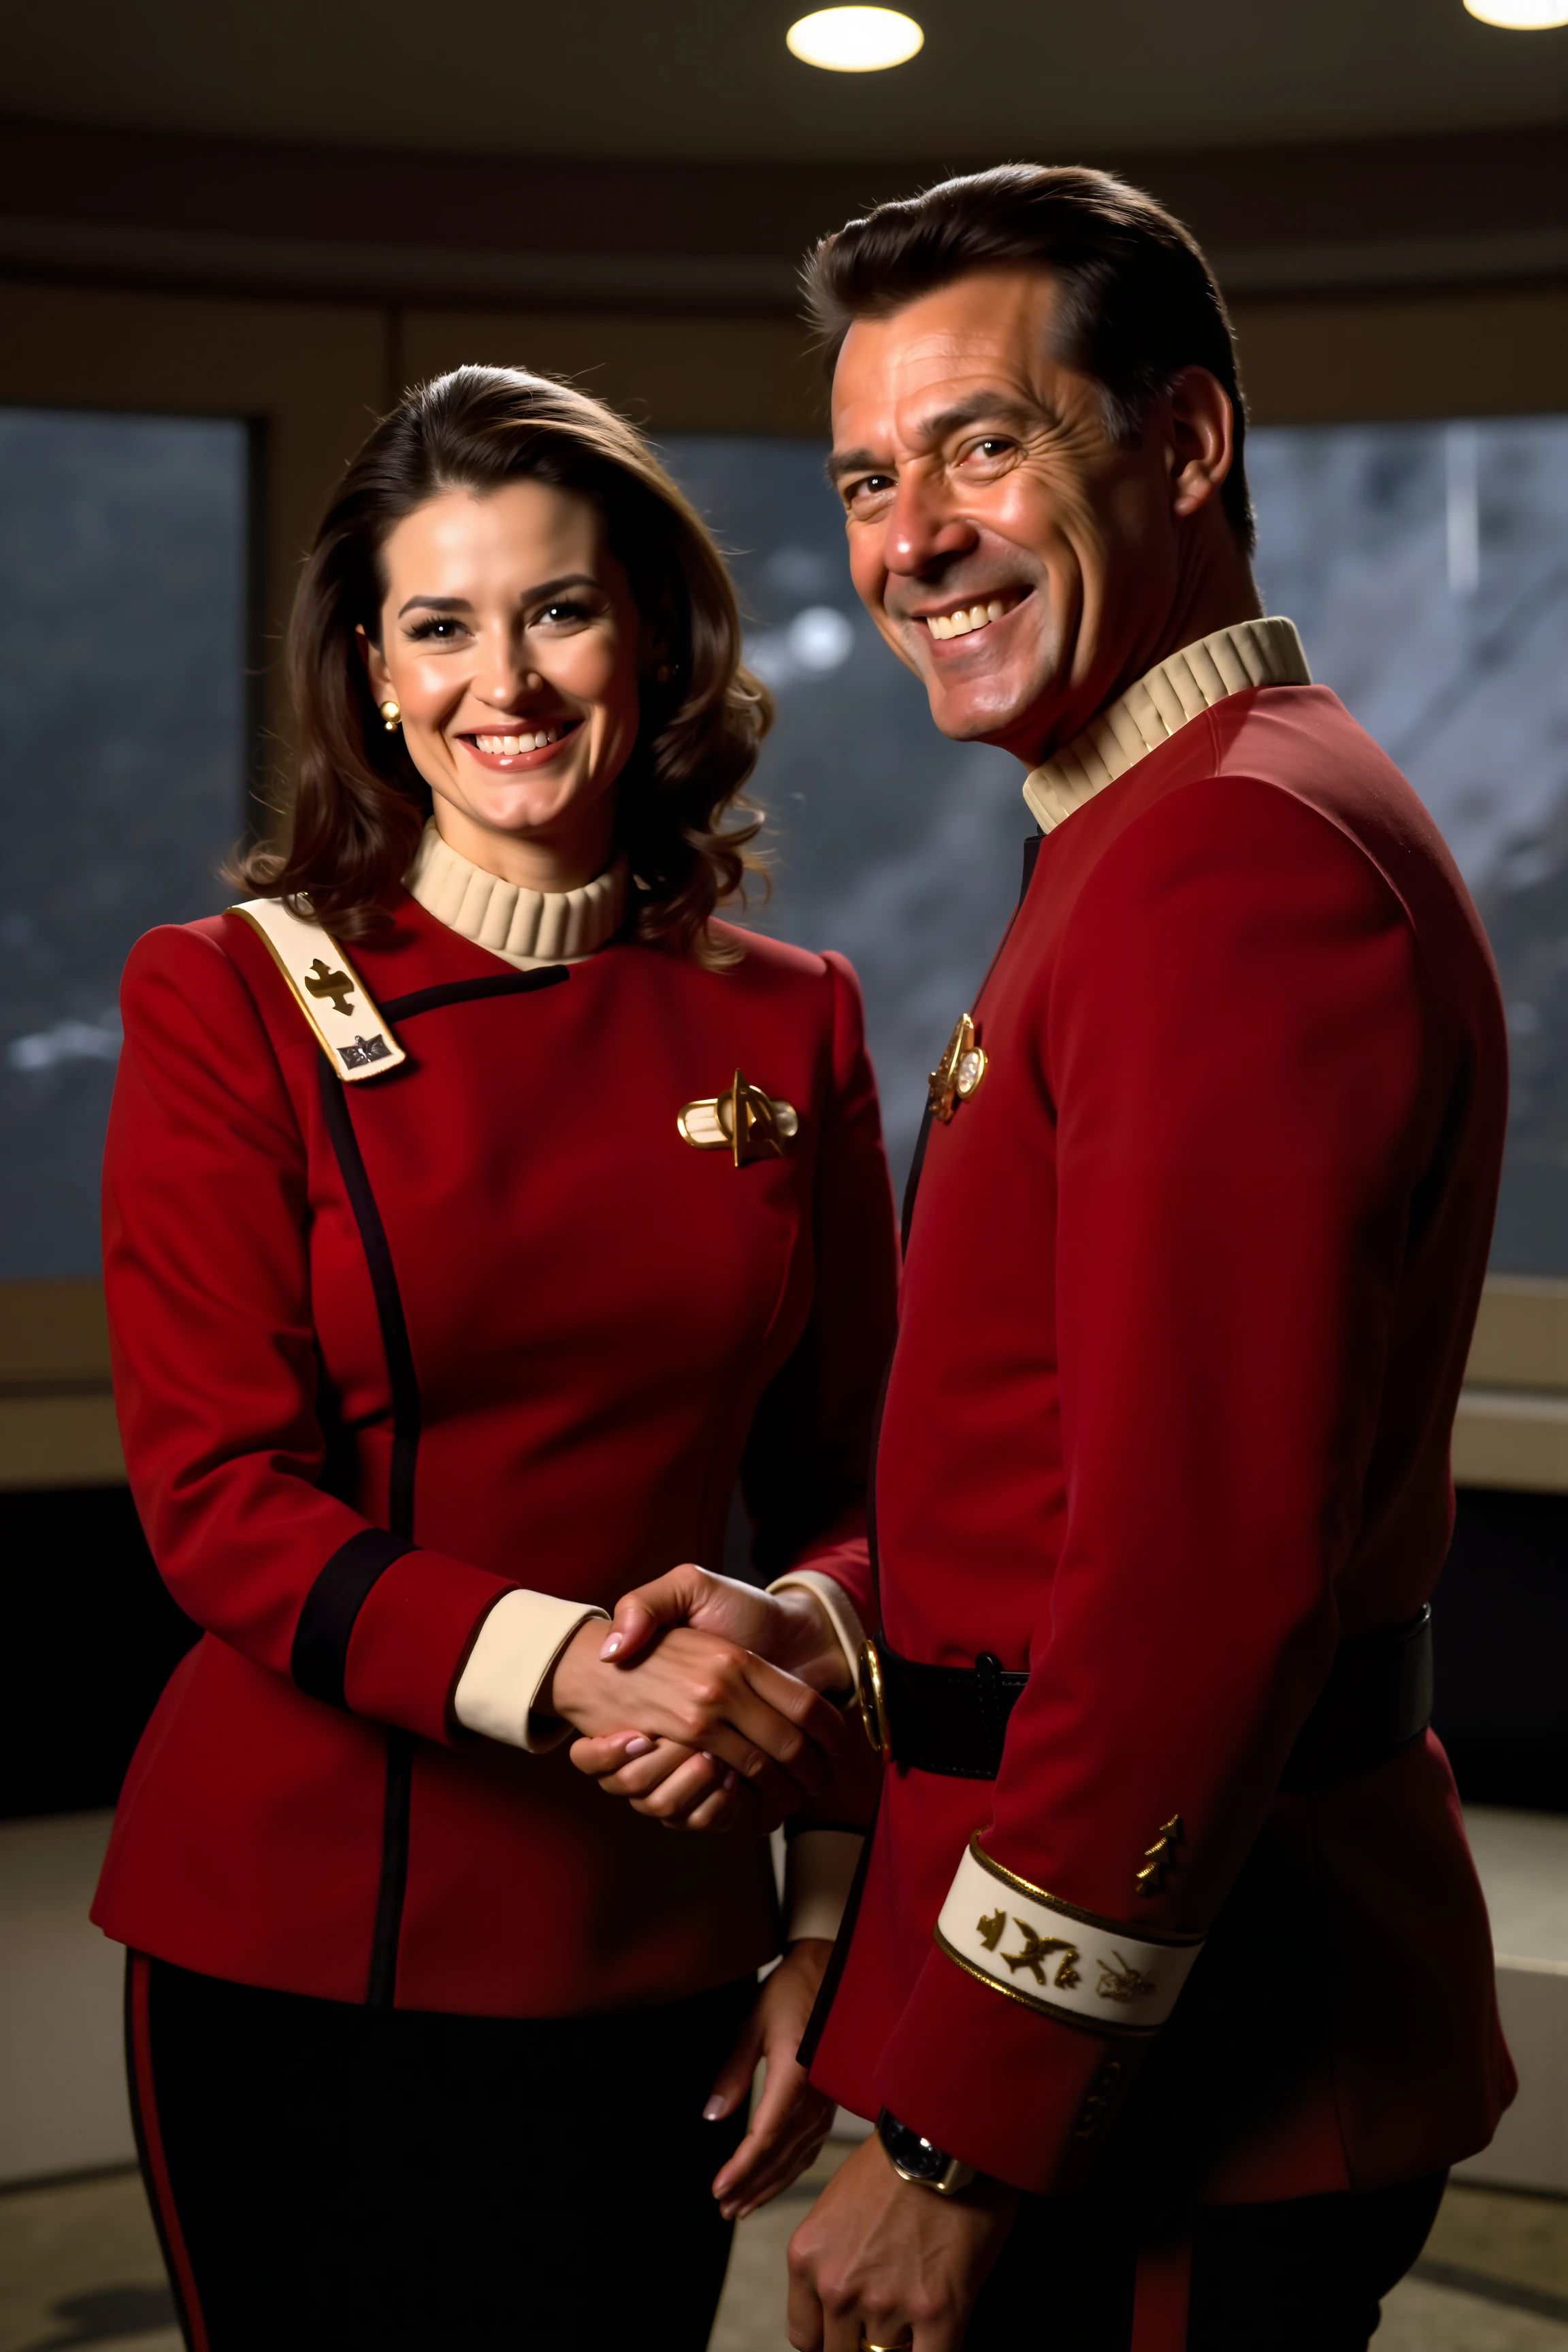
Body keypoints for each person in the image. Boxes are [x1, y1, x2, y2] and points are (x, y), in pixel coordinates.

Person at [581, 169, 1517, 2351]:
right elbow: (1066, 1463)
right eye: (865, 479)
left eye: (985, 446)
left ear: (1184, 446)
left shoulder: (1220, 863)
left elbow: (1203, 1577)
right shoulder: (1179, 810)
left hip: (1199, 2048)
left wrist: (964, 2139)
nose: (911, 538)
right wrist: (827, 1613)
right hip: (1133, 1937)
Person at [91, 363, 899, 2352]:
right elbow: (216, 1503)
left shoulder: (794, 1021)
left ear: (654, 633)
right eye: (439, 623)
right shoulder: (225, 996)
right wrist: (585, 1668)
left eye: (558, 608)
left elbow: (873, 1503)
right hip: (299, 1930)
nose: (504, 682)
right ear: (370, 671)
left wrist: (828, 1927)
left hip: (672, 1934)